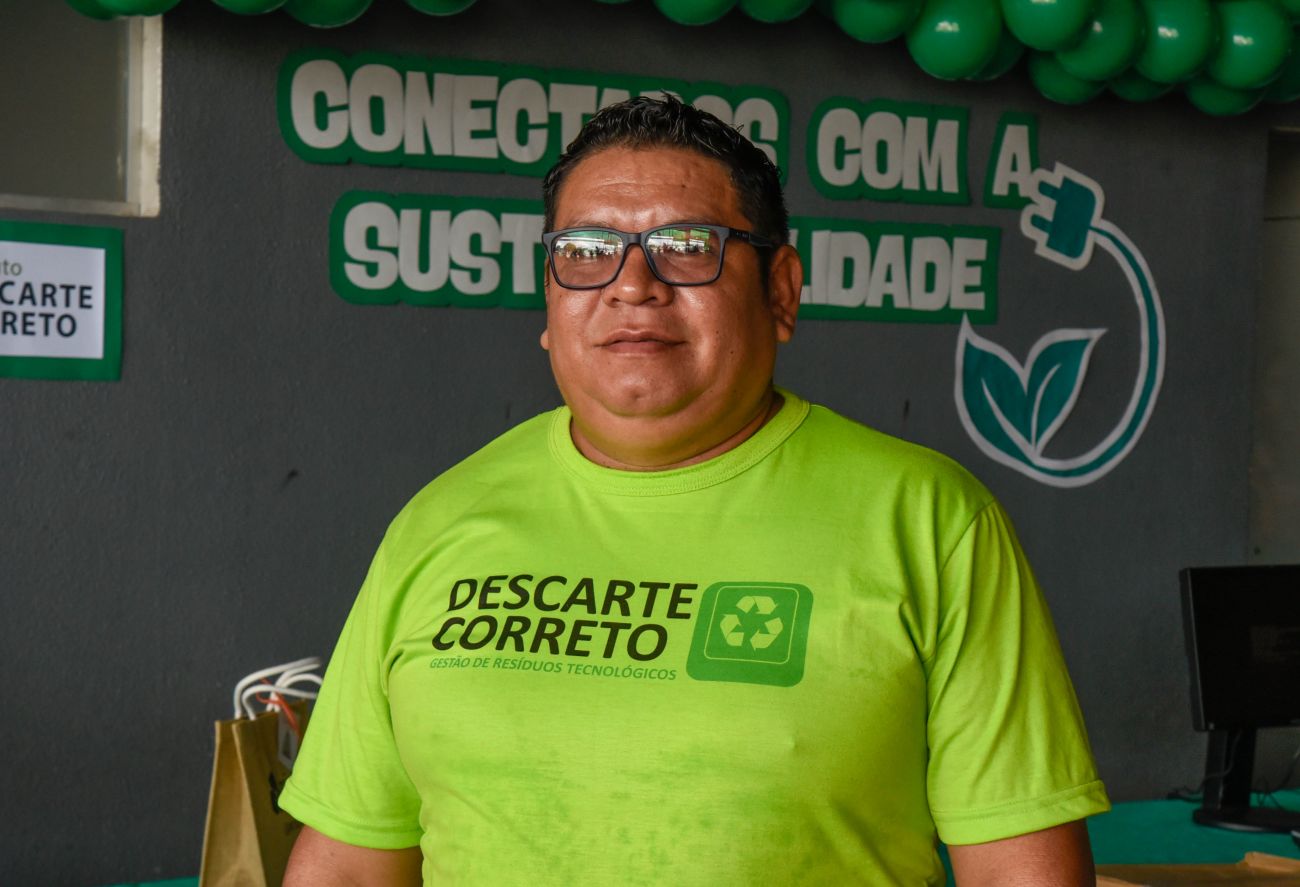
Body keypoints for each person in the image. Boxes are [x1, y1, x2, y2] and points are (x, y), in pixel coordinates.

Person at [281, 95, 1110, 886]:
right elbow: (348, 864)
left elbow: (1019, 868)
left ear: (780, 290)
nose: (631, 284)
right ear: (549, 297)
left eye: (686, 244)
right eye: (586, 250)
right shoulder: (438, 522)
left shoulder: (929, 521)